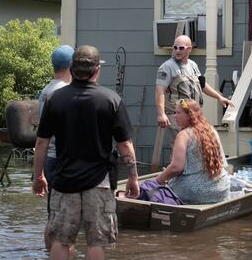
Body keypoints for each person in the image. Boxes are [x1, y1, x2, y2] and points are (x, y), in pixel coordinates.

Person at [32, 45, 139, 260]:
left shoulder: (55, 99)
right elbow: (124, 144)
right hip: (98, 182)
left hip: (64, 181)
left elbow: (42, 141)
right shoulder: (111, 100)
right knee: (96, 240)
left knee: (61, 239)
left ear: (72, 69)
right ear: (97, 69)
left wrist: (38, 176)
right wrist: (133, 177)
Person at [156, 99, 230, 204]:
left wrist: (157, 180)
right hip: (221, 189)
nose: (175, 116)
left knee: (159, 190)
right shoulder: (211, 130)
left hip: (195, 192)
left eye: (178, 113)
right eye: (174, 112)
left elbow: (176, 168)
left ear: (190, 115)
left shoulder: (184, 135)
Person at [155, 34, 234, 130]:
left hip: (194, 114)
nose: (177, 50)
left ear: (189, 49)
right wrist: (161, 114)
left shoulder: (193, 65)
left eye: (181, 48)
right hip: (178, 115)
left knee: (195, 143)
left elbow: (202, 85)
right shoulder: (167, 67)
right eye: (175, 48)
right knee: (182, 143)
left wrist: (219, 97)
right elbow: (160, 92)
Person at [38, 44, 74, 251]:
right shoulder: (63, 92)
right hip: (60, 159)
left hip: (49, 159)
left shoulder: (47, 89)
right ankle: (62, 253)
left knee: (53, 213)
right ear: (71, 65)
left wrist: (38, 172)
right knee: (64, 215)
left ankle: (49, 253)